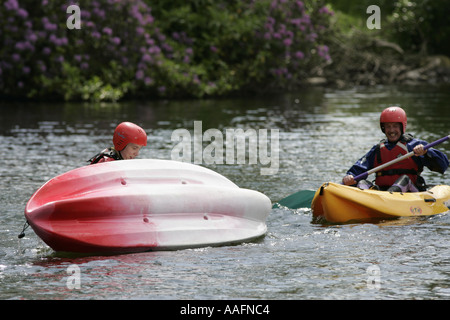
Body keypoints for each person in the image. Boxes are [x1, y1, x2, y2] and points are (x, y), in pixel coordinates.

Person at [342, 106, 449, 192]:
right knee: (361, 183)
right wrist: (349, 177)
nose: (391, 130)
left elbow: (443, 165)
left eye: (395, 126)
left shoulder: (414, 146)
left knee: (405, 179)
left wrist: (426, 152)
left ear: (402, 126)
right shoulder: (377, 150)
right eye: (388, 126)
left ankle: (388, 199)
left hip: (409, 192)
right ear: (383, 128)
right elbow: (358, 169)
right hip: (382, 195)